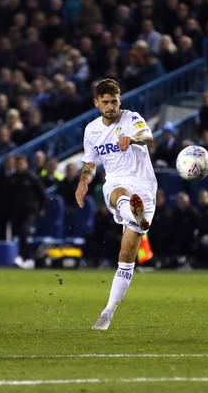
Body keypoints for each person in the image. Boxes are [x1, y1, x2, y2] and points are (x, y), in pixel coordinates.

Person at [75, 78, 157, 331]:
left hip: (144, 186)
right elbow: (90, 165)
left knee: (126, 255)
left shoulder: (132, 118)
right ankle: (132, 212)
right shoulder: (91, 130)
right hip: (117, 183)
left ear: (120, 100)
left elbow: (148, 135)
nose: (111, 106)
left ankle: (108, 311)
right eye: (106, 102)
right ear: (96, 103)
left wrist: (132, 139)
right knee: (114, 189)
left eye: (115, 101)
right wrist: (82, 183)